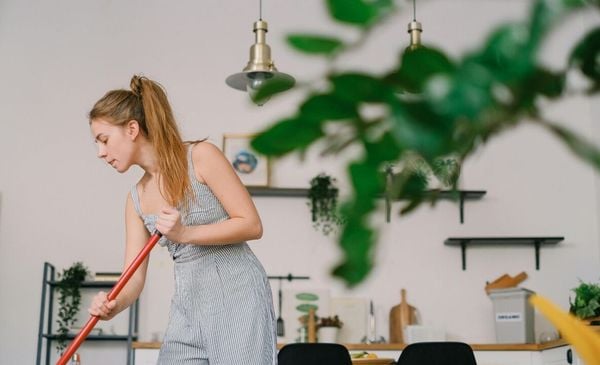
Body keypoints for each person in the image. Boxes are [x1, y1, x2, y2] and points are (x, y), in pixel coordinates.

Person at [87, 75, 277, 364]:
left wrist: (185, 233)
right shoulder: (135, 199)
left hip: (239, 299)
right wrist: (113, 304)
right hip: (188, 308)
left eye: (104, 140)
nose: (100, 153)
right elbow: (133, 278)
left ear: (132, 129)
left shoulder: (201, 157)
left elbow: (251, 224)